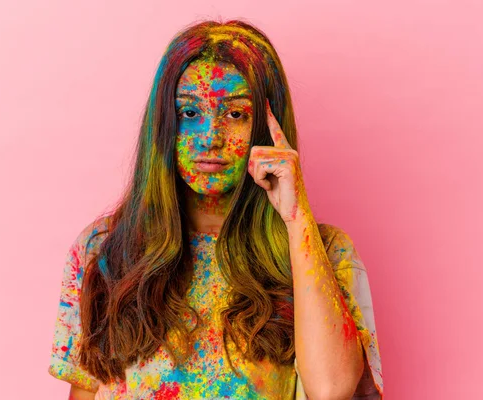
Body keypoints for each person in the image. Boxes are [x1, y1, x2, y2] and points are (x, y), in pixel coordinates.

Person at [48, 20, 384, 400]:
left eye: (236, 114)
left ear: (266, 125)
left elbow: (332, 389)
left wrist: (297, 219)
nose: (211, 136)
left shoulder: (323, 253)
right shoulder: (105, 251)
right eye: (189, 113)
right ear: (164, 125)